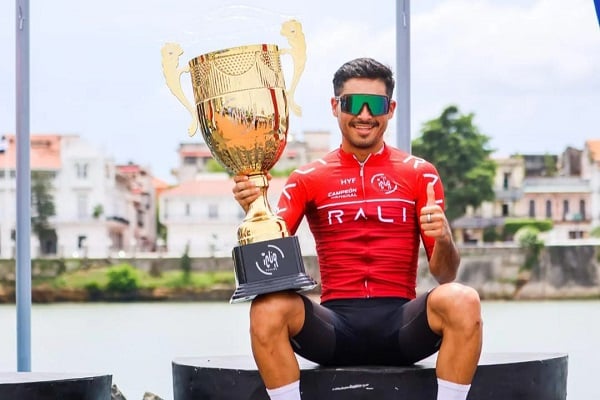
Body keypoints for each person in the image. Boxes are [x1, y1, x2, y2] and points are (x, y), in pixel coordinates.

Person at [232, 57, 482, 400]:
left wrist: (444, 236)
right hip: (334, 328)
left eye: (375, 104)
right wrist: (254, 208)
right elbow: (271, 263)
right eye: (352, 103)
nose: (364, 114)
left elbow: (445, 275)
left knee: (463, 299)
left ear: (390, 109)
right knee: (267, 307)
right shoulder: (307, 178)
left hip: (401, 326)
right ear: (335, 107)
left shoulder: (420, 173)